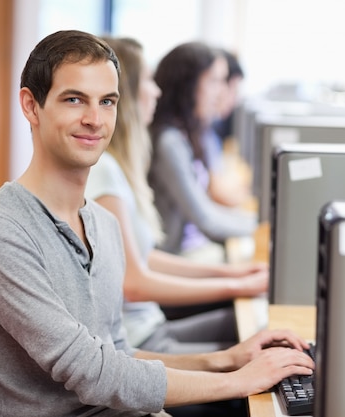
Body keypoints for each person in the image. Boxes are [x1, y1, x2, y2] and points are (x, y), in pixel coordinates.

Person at [0, 30, 313, 417]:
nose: (94, 119)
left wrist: (228, 359)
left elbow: (118, 354)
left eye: (107, 102)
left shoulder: (102, 223)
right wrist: (236, 381)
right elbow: (93, 373)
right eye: (74, 100)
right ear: (31, 105)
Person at [85, 36, 267, 353]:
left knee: (268, 331)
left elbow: (141, 257)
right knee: (260, 343)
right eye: (147, 81)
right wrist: (235, 282)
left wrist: (234, 273)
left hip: (151, 324)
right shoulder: (107, 170)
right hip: (139, 339)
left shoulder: (121, 166)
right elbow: (136, 282)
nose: (156, 91)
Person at [149, 41, 257, 264]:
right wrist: (262, 225)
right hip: (179, 256)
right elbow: (205, 218)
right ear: (187, 85)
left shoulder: (190, 135)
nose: (221, 92)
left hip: (198, 249)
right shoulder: (169, 142)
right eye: (214, 81)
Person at [205, 48, 252, 208]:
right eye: (234, 90)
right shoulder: (194, 136)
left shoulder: (209, 133)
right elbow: (218, 193)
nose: (234, 99)